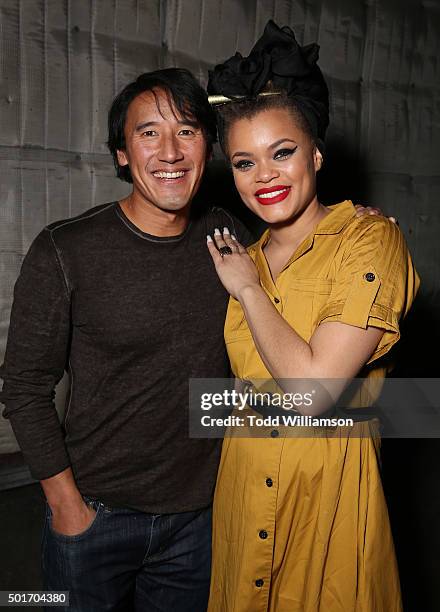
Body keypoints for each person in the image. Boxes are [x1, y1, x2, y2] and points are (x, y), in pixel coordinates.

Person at [0, 68, 253, 612]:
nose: (170, 151)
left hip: (199, 522)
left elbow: (300, 245)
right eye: (148, 133)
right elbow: (23, 386)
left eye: (187, 131)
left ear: (207, 148)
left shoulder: (227, 236)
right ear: (121, 154)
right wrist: (66, 504)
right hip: (95, 515)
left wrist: (355, 227)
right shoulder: (65, 251)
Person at [205, 21, 419, 611]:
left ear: (317, 153)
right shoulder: (236, 257)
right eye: (244, 163)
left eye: (283, 152)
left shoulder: (370, 242)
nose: (265, 175)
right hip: (244, 492)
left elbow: (312, 393)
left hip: (330, 493)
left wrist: (250, 292)